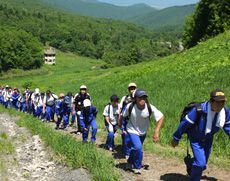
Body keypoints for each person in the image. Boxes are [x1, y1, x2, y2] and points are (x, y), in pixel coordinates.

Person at [172, 89, 230, 181]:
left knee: (202, 164)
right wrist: (176, 137)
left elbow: (228, 126)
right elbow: (184, 124)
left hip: (208, 138)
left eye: (222, 103)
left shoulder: (224, 112)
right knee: (200, 164)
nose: (220, 105)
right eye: (218, 102)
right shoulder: (199, 110)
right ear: (211, 101)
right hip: (196, 138)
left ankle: (190, 163)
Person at [119, 89, 164, 174]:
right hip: (131, 129)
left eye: (144, 97)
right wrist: (121, 126)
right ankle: (137, 167)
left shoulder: (149, 107)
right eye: (140, 98)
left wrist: (156, 131)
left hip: (143, 132)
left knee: (135, 148)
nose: (142, 99)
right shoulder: (130, 106)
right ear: (135, 98)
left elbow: (161, 117)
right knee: (138, 147)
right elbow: (122, 115)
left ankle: (129, 162)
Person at [119, 82, 137, 159]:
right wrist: (120, 118)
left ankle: (132, 150)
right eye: (131, 88)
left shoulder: (138, 97)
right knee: (125, 135)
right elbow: (120, 108)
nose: (132, 89)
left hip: (135, 120)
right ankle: (126, 152)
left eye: (133, 88)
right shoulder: (125, 98)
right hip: (126, 119)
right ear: (128, 89)